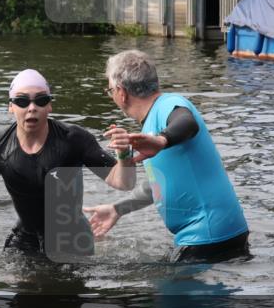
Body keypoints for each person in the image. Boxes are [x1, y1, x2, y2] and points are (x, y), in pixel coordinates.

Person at [0, 69, 136, 263]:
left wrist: (124, 154)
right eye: (22, 101)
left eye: (40, 100)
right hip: (25, 239)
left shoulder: (74, 139)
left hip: (72, 240)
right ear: (10, 107)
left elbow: (123, 182)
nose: (32, 108)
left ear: (49, 105)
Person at [84, 50, 250, 264]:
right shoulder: (152, 123)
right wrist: (118, 209)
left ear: (121, 92)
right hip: (219, 232)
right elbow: (160, 184)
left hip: (207, 236)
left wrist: (161, 140)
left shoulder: (167, 106)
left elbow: (188, 123)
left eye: (110, 91)